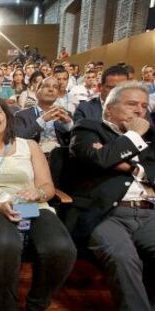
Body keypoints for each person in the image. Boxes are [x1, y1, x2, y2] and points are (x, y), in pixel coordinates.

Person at [0, 96, 76, 310]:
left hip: (29, 206)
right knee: (4, 244)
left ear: (7, 116)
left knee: (60, 248)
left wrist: (38, 192)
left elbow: (47, 187)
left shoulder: (29, 146)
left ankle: (37, 303)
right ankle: (8, 305)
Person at [69, 81, 155, 311]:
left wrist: (129, 165)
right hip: (106, 213)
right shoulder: (87, 128)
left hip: (149, 210)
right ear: (109, 109)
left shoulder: (152, 137)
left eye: (144, 106)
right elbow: (98, 159)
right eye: (132, 104)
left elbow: (108, 157)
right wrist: (134, 135)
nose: (139, 111)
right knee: (123, 258)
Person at [14, 76, 73, 154]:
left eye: (55, 87)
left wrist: (68, 125)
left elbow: (74, 142)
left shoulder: (65, 114)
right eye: (46, 86)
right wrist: (42, 120)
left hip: (60, 156)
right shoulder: (21, 115)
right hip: (33, 156)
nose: (51, 89)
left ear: (58, 94)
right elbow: (18, 140)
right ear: (36, 92)